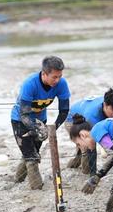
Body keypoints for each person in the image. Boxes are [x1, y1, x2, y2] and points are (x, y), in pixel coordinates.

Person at [11, 56, 70, 190]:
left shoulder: (61, 84)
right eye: (54, 77)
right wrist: (36, 128)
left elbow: (64, 110)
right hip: (20, 120)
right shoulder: (29, 84)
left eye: (59, 76)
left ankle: (17, 179)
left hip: (41, 119)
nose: (57, 80)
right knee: (31, 157)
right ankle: (36, 189)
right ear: (44, 74)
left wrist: (52, 128)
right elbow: (24, 114)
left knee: (33, 153)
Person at [65, 88, 113, 176]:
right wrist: (94, 176)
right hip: (74, 120)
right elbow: (100, 141)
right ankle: (86, 176)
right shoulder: (92, 116)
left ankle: (75, 161)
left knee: (112, 146)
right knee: (87, 150)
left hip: (90, 113)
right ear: (105, 105)